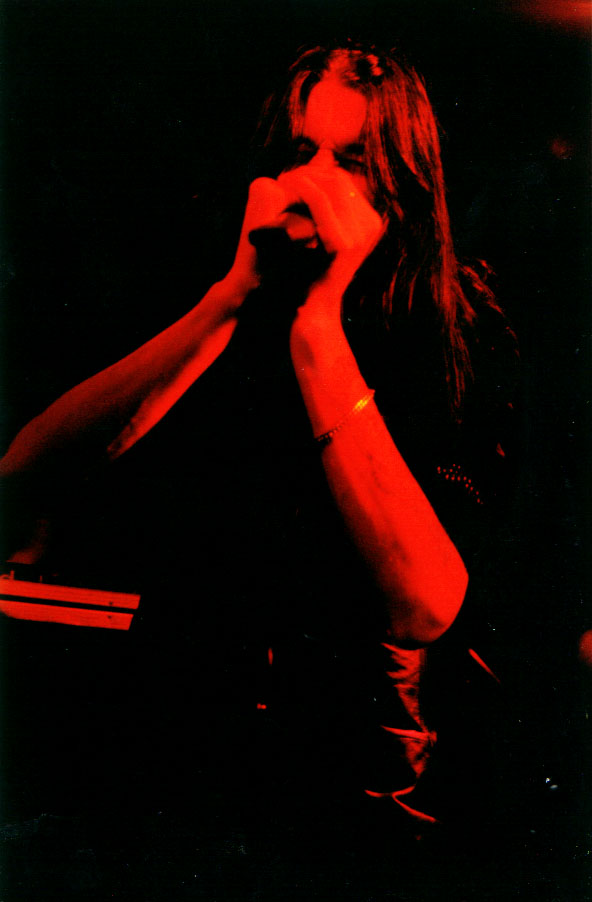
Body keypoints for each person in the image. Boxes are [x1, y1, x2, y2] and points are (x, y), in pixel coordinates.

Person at [0, 42, 517, 846]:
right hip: (176, 753)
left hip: (365, 787)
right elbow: (24, 475)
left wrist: (320, 327)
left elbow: (425, 602)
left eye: (351, 160)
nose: (312, 180)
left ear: (400, 185)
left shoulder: (459, 324)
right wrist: (231, 298)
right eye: (298, 152)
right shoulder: (212, 275)